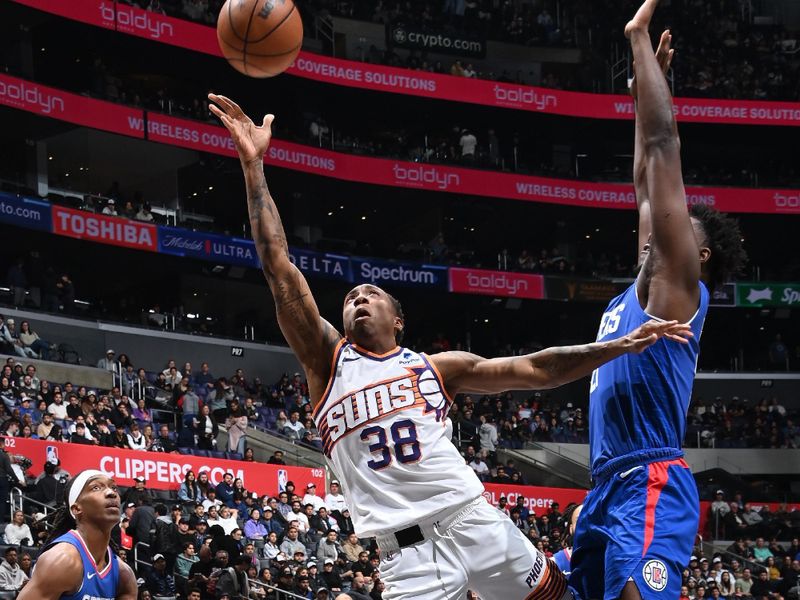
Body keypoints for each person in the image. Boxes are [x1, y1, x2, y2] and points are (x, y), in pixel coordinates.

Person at [209, 91, 692, 600]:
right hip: (406, 555)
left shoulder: (437, 368)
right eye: (351, 297)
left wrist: (616, 346)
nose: (357, 300)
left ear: (399, 320)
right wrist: (253, 165)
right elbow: (279, 269)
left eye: (371, 294)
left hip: (475, 522)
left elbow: (536, 370)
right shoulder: (327, 363)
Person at [569, 4, 747, 600]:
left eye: (680, 231)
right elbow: (646, 176)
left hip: (650, 476)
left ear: (701, 259)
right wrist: (648, 83)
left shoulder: (678, 289)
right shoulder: (644, 281)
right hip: (606, 483)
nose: (664, 230)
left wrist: (638, 41)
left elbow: (666, 148)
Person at [17, 470, 138, 599]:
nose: (111, 493)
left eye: (113, 487)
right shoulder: (62, 560)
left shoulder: (123, 573)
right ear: (76, 509)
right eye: (96, 487)